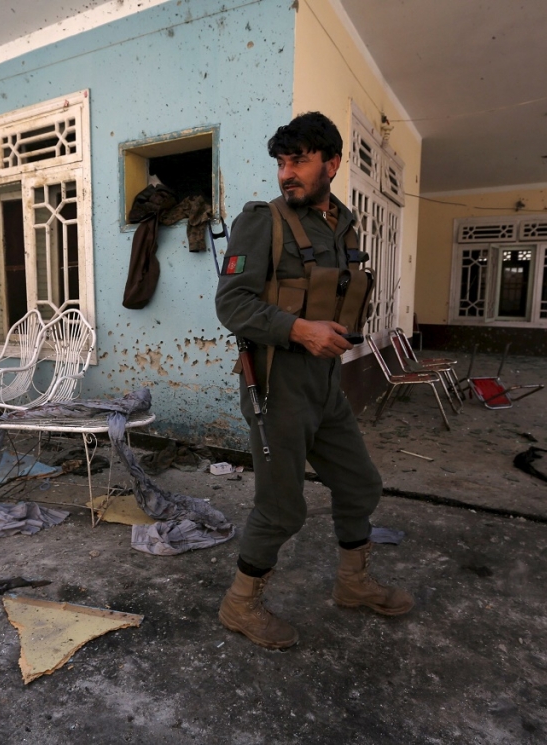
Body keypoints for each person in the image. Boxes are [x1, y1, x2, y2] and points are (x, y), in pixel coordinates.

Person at [214, 112, 413, 649]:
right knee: (282, 508)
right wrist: (298, 330)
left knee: (361, 484)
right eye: (281, 162)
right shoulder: (262, 222)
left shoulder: (342, 224)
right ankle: (239, 605)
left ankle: (353, 584)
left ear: (331, 163)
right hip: (278, 385)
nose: (286, 173)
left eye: (298, 160)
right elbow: (231, 304)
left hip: (327, 384)